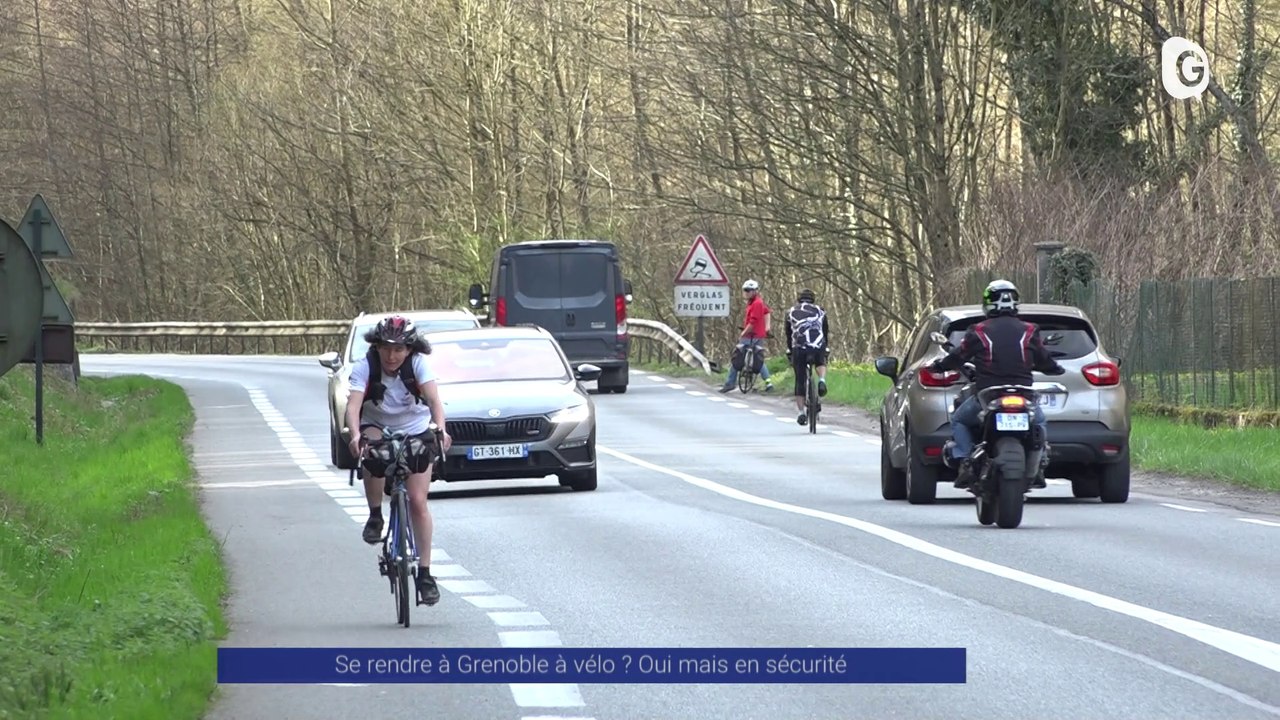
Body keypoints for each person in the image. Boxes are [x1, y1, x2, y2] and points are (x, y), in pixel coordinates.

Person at [345, 315, 452, 606]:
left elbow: (434, 401)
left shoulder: (419, 364)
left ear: (409, 349)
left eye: (399, 349)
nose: (392, 356)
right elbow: (353, 406)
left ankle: (426, 574)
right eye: (386, 348)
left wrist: (440, 430)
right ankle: (376, 514)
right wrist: (356, 436)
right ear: (377, 347)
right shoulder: (365, 366)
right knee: (373, 452)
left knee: (418, 501)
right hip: (376, 423)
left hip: (415, 427)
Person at [925, 280, 1064, 489]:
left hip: (988, 394)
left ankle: (965, 458)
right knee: (1040, 421)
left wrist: (939, 367)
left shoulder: (978, 331)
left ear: (988, 304)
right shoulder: (1029, 330)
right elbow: (1045, 360)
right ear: (1015, 302)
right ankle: (1038, 464)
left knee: (959, 420)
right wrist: (1055, 369)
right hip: (1023, 394)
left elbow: (958, 356)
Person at [719, 279, 775, 393]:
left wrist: (744, 332)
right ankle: (768, 383)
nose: (746, 292)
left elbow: (753, 321)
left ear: (754, 291)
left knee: (737, 357)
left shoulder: (757, 303)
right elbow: (767, 312)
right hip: (755, 334)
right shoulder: (754, 302)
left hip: (752, 335)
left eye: (748, 290)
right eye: (745, 290)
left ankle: (730, 383)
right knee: (758, 359)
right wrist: (767, 328)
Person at [784, 288, 830, 425]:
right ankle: (822, 380)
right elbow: (825, 330)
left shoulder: (790, 312)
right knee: (821, 362)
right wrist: (824, 345)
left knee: (800, 379)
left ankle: (800, 413)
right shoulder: (821, 311)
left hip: (799, 347)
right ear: (813, 299)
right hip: (817, 345)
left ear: (799, 299)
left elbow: (788, 332)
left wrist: (790, 349)